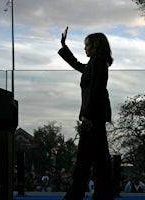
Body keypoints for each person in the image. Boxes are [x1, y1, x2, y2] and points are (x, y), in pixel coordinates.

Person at [58, 27, 114, 200]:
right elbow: (78, 65)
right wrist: (64, 47)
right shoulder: (96, 62)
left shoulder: (98, 62)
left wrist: (86, 115)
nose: (85, 48)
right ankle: (103, 193)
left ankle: (76, 193)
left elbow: (96, 89)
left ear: (95, 46)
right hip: (97, 115)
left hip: (93, 116)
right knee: (101, 158)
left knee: (84, 158)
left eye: (87, 45)